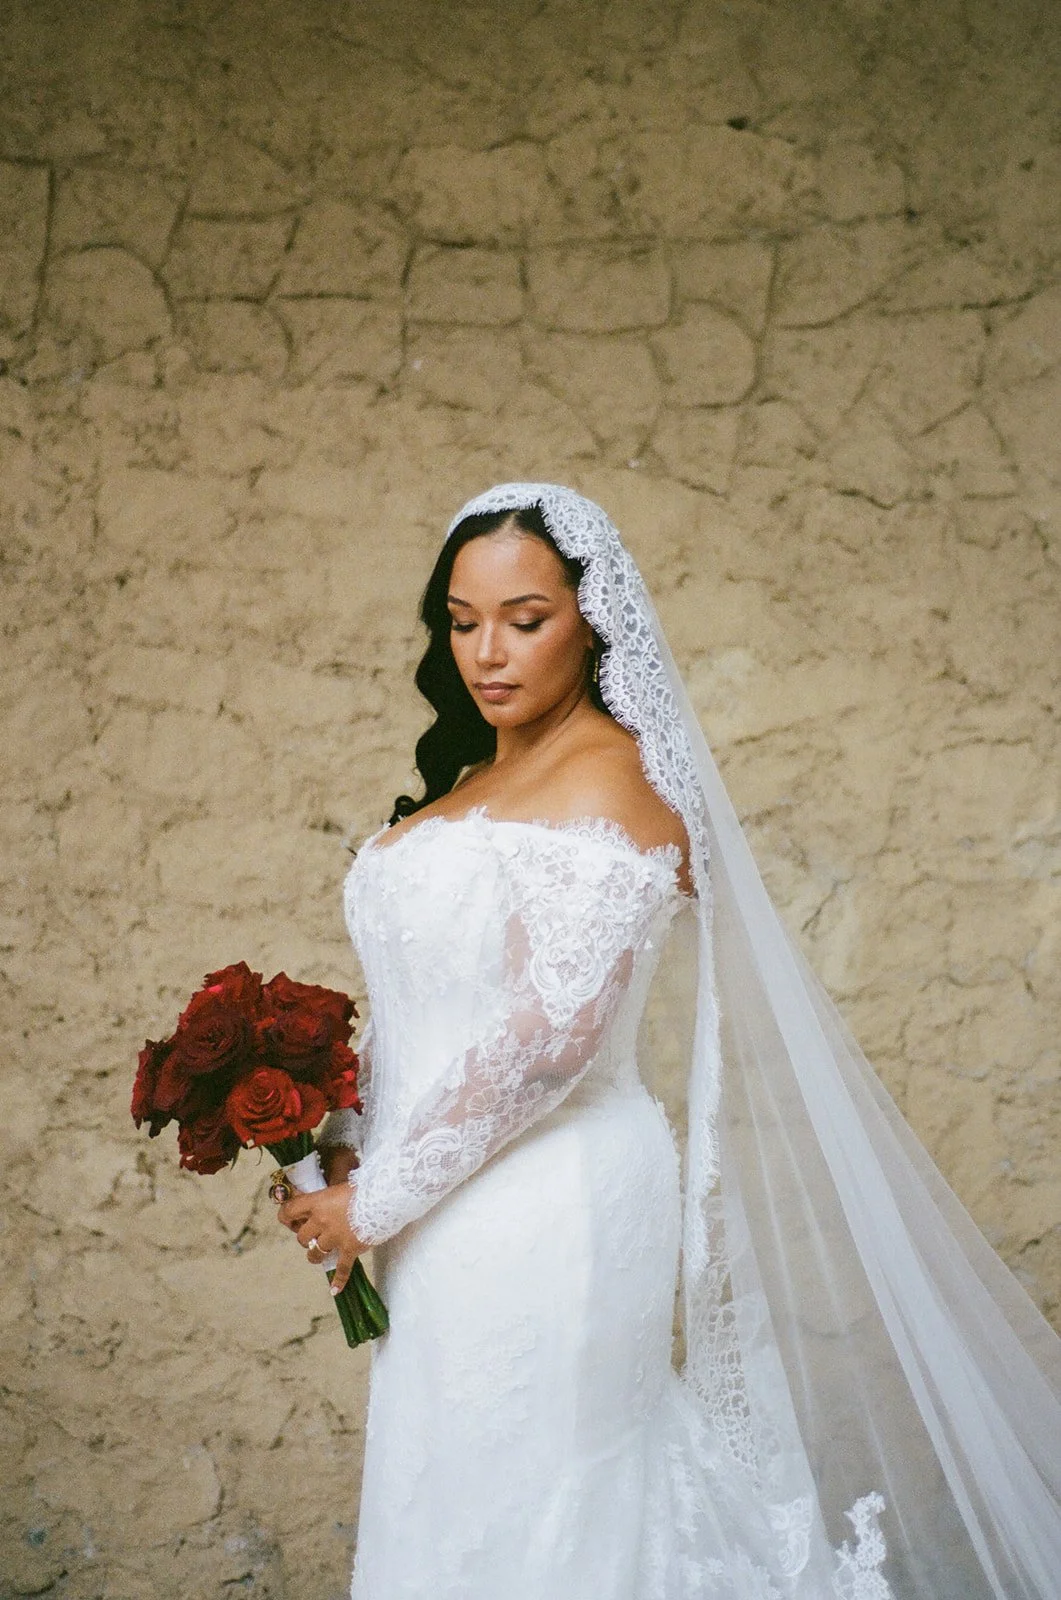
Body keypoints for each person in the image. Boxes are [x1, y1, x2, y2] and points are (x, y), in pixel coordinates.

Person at [278, 484, 1061, 1599]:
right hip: (435, 1212)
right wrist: (343, 1141)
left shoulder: (613, 774)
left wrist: (374, 1200)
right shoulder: (473, 780)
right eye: (460, 621)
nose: (485, 652)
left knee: (551, 1504)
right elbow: (430, 1009)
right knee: (448, 1495)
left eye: (523, 618)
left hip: (548, 1199)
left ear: (590, 620)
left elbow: (552, 1039)